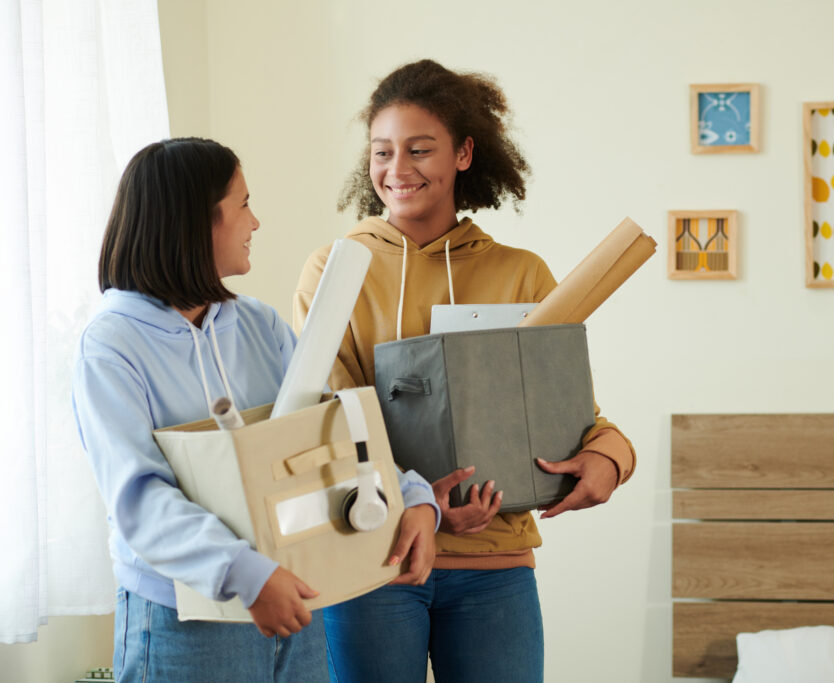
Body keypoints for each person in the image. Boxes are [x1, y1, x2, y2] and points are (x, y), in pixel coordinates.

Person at [295, 59, 636, 683]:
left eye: (419, 150)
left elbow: (570, 415)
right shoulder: (333, 270)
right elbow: (327, 420)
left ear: (464, 153)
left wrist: (611, 459)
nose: (396, 171)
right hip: (376, 560)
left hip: (495, 570)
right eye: (382, 152)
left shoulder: (524, 273)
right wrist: (418, 502)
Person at [72, 137, 438, 682]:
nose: (256, 222)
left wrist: (413, 497)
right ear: (197, 222)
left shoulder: (259, 325)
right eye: (244, 204)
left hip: (293, 599)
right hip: (184, 621)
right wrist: (246, 574)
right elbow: (140, 499)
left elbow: (328, 434)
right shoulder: (111, 345)